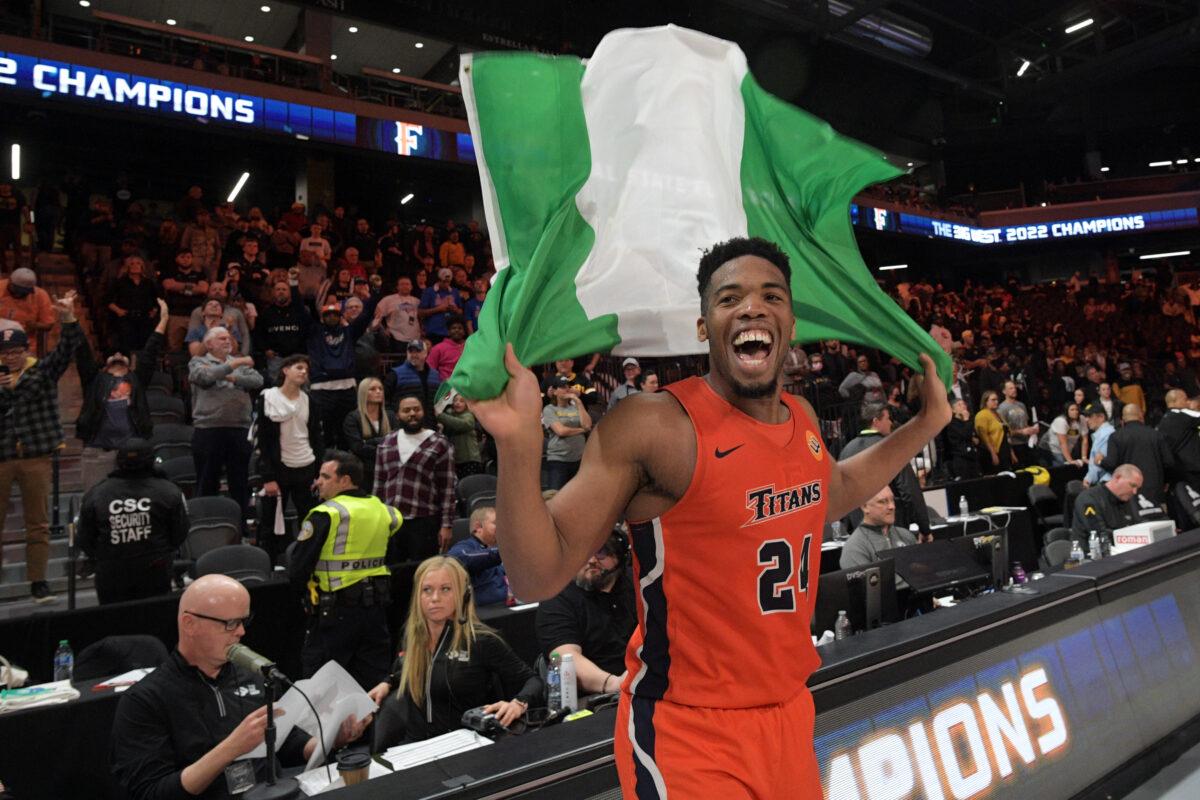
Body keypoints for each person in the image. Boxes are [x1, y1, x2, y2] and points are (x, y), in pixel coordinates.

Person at [466, 237, 950, 796]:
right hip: (688, 728)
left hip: (790, 713)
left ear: (792, 323)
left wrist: (929, 420)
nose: (752, 307)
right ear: (703, 327)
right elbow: (536, 575)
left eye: (772, 295)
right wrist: (517, 444)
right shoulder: (653, 425)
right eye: (729, 298)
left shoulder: (803, 416)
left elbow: (833, 490)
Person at [111, 574, 371, 800]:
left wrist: (330, 740)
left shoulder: (253, 675)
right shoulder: (144, 700)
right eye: (229, 624)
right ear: (190, 624)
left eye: (243, 622)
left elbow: (289, 741)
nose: (241, 633)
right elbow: (152, 792)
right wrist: (231, 748)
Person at [367, 556, 541, 746]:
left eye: (445, 589)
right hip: (414, 748)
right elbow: (405, 670)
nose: (435, 598)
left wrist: (517, 704)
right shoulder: (412, 638)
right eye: (427, 590)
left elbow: (532, 680)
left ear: (463, 595)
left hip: (465, 746)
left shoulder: (482, 641)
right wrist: (387, 682)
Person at [288, 450, 402, 688]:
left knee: (320, 688)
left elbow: (298, 569)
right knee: (372, 685)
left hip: (334, 615)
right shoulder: (386, 511)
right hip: (375, 611)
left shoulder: (326, 514)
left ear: (345, 480)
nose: (318, 482)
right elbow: (390, 555)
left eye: (325, 476)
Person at [0, 291, 82, 603]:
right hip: (2, 457)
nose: (11, 357)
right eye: (5, 352)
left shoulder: (42, 372)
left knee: (38, 523)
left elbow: (67, 349)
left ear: (26, 349)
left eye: (16, 350)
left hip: (36, 455)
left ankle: (38, 582)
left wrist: (68, 317)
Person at [77, 438, 189, 604]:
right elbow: (180, 533)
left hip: (111, 572)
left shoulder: (96, 493)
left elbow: (85, 539)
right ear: (151, 461)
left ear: (118, 462)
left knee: (115, 625)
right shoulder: (169, 491)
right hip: (155, 569)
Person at [75, 298, 168, 492]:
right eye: (112, 354)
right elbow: (82, 350)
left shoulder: (137, 379)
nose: (117, 355)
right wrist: (69, 317)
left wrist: (164, 319)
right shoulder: (94, 380)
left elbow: (150, 352)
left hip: (133, 452)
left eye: (122, 354)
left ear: (130, 363)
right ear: (104, 363)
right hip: (98, 452)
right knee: (96, 500)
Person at [535, 527, 636, 695]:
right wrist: (614, 684)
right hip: (598, 697)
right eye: (582, 553)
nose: (591, 560)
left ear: (620, 555)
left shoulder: (639, 584)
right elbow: (564, 657)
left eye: (601, 552)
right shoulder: (556, 598)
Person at [188, 327, 263, 526]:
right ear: (209, 343)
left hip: (239, 429)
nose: (227, 341)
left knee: (240, 482)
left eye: (229, 338)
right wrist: (236, 363)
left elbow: (257, 380)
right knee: (207, 481)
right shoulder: (198, 362)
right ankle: (204, 525)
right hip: (208, 429)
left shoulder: (238, 364)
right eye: (222, 338)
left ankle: (240, 526)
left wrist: (231, 376)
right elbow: (204, 378)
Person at [256, 354, 322, 565]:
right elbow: (263, 441)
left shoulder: (309, 400)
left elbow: (316, 438)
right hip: (277, 470)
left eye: (306, 369)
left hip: (306, 467)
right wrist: (268, 476)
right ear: (285, 370)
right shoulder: (267, 398)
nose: (304, 372)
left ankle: (305, 564)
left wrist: (318, 473)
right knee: (269, 523)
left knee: (308, 522)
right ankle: (268, 565)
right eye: (299, 367)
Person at [373, 395, 456, 561]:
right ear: (397, 415)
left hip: (424, 522)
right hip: (392, 523)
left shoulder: (439, 443)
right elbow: (378, 485)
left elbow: (447, 488)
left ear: (423, 412)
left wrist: (446, 525)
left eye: (416, 409)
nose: (412, 413)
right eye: (406, 410)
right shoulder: (386, 442)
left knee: (423, 575)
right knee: (395, 577)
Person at [839, 401, 931, 536]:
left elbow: (840, 494)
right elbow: (909, 490)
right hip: (892, 528)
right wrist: (924, 528)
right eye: (887, 418)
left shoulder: (845, 451)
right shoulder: (891, 447)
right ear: (876, 421)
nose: (891, 423)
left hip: (860, 531)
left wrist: (849, 528)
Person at [839, 485, 922, 588]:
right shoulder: (855, 547)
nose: (892, 506)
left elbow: (922, 575)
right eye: (883, 502)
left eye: (893, 500)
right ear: (865, 507)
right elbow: (866, 593)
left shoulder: (906, 535)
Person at [1100, 404, 1175, 505]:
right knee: (1159, 519)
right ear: (1141, 417)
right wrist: (1166, 481)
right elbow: (1169, 462)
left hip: (1128, 492)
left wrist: (1100, 461)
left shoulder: (1115, 437)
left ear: (1123, 420)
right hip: (1155, 490)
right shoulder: (1156, 435)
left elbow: (1111, 464)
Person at [1071, 464, 1144, 554]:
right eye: (1132, 485)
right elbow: (1100, 535)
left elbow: (1138, 526)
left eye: (1137, 488)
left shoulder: (1128, 498)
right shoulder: (1088, 499)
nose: (1134, 491)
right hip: (1092, 557)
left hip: (1123, 551)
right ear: (1118, 478)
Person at [447, 505, 509, 607]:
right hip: (483, 612)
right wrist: (506, 551)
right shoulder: (466, 546)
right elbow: (456, 558)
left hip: (510, 605)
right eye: (496, 523)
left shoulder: (501, 548)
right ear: (478, 527)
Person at [343, 376, 396, 490]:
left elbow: (397, 442)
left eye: (380, 389)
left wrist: (370, 442)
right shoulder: (353, 418)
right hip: (363, 473)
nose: (378, 392)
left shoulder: (390, 415)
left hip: (388, 470)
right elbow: (357, 448)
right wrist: (384, 442)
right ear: (363, 393)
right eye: (372, 389)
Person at [542, 374, 592, 490]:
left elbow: (587, 425)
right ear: (554, 391)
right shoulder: (549, 409)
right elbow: (561, 431)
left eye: (567, 386)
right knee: (554, 496)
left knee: (578, 497)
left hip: (579, 459)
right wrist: (582, 430)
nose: (566, 389)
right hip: (559, 460)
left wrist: (578, 402)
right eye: (562, 386)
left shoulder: (575, 407)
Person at [0, 268, 55, 353]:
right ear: (10, 282)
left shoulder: (40, 295)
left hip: (24, 343)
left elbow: (48, 325)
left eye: (24, 292)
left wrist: (35, 325)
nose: (20, 294)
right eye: (17, 290)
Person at [1157, 388, 1200, 486]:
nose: (1187, 402)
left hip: (1178, 468)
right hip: (1193, 467)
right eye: (1185, 399)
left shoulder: (1163, 420)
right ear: (1175, 401)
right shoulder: (1183, 414)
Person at [438, 393, 485, 478]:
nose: (457, 403)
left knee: (469, 485)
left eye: (461, 401)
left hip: (469, 460)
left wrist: (441, 416)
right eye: (455, 400)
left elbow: (463, 424)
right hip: (456, 460)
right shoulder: (451, 416)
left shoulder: (468, 415)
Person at [386, 338, 442, 409]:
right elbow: (386, 401)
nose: (414, 355)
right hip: (403, 419)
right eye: (410, 351)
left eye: (418, 351)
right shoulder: (395, 374)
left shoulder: (435, 375)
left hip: (430, 419)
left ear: (425, 353)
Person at [372, 275, 422, 353]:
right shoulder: (388, 299)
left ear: (411, 287)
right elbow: (377, 314)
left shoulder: (417, 301)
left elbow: (422, 318)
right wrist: (383, 329)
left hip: (415, 338)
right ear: (397, 287)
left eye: (407, 284)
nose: (405, 286)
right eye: (402, 284)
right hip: (396, 338)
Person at [997, 379, 1039, 467]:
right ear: (1004, 391)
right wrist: (1022, 431)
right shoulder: (1002, 408)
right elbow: (1004, 431)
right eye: (1011, 388)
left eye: (1014, 388)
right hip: (1015, 445)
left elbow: (1025, 424)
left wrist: (1032, 430)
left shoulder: (1021, 405)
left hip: (1027, 443)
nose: (1014, 390)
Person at [974, 389, 1014, 473]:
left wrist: (1011, 453)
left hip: (1005, 451)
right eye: (993, 400)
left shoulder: (998, 414)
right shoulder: (982, 415)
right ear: (985, 401)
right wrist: (993, 454)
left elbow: (1005, 435)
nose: (996, 402)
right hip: (994, 452)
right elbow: (984, 437)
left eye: (997, 399)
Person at [944, 398, 981, 479]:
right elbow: (966, 434)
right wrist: (966, 420)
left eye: (964, 404)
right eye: (959, 405)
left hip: (973, 457)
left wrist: (976, 439)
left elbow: (975, 437)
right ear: (953, 410)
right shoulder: (952, 424)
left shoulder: (969, 421)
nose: (963, 406)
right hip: (962, 459)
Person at [1040, 401, 1086, 467]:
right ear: (1066, 411)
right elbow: (1062, 443)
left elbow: (1085, 439)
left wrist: (1084, 457)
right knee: (1061, 467)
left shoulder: (1082, 419)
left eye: (1076, 409)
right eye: (1072, 410)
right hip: (1051, 448)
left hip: (1068, 448)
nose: (1075, 412)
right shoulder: (1061, 421)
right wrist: (1070, 461)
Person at [1083, 402, 1116, 487]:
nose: (1086, 420)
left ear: (1101, 417)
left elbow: (1099, 463)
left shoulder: (1106, 435)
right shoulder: (1103, 433)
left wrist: (1089, 479)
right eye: (1086, 416)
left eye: (1090, 416)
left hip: (1105, 482)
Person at [426, 314, 466, 380]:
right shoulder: (438, 348)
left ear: (464, 332)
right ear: (448, 332)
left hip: (465, 387)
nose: (457, 330)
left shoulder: (469, 347)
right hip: (445, 387)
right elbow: (429, 369)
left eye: (460, 328)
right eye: (453, 328)